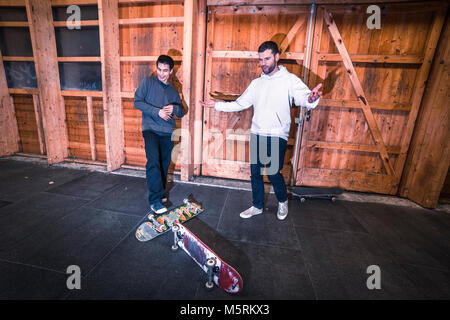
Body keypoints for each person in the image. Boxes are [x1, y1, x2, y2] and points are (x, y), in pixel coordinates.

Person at [200, 41, 322, 221]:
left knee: (273, 172)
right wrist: (217, 105)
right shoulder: (256, 83)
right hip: (257, 133)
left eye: (267, 58)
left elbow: (305, 98)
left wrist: (311, 99)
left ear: (277, 57)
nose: (263, 63)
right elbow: (240, 103)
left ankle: (282, 201)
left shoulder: (289, 80)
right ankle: (257, 205)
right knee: (255, 172)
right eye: (260, 59)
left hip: (277, 134)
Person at [134, 55, 184, 214]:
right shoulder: (147, 83)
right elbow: (137, 101)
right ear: (157, 68)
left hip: (168, 132)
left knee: (163, 165)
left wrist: (174, 109)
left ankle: (161, 193)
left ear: (171, 71)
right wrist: (158, 112)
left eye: (165, 70)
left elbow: (182, 111)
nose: (162, 73)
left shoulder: (173, 90)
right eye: (159, 69)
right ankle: (155, 201)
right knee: (153, 162)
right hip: (150, 129)